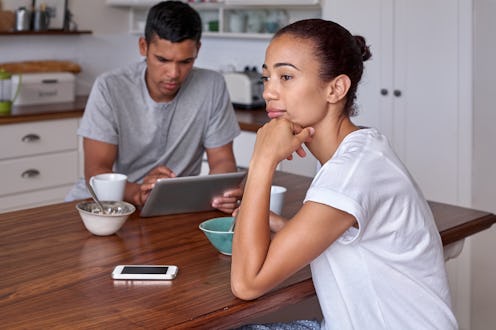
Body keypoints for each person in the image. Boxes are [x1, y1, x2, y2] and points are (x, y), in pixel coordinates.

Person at [231, 19, 458, 329]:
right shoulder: (360, 150)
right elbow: (350, 242)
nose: (269, 91)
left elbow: (247, 284)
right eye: (267, 77)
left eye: (286, 77)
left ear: (335, 88)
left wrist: (262, 159)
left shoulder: (352, 172)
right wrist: (282, 226)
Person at [65, 1, 241, 213]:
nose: (173, 73)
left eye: (185, 61)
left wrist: (220, 194)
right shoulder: (110, 87)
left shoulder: (212, 85)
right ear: (143, 47)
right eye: (162, 60)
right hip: (113, 203)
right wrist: (138, 193)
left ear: (198, 50)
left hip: (177, 207)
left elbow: (223, 160)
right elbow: (97, 170)